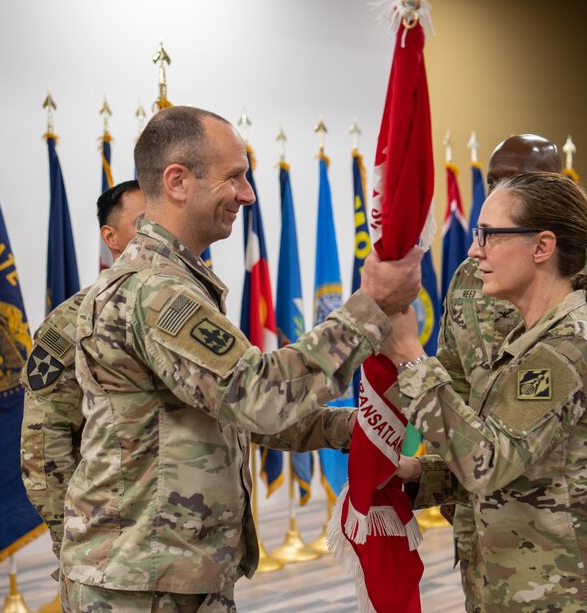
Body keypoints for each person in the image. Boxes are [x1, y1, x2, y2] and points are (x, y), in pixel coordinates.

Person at [56, 105, 422, 612]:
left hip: (165, 570)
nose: (247, 194)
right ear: (178, 181)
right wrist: (371, 308)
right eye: (236, 177)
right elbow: (257, 395)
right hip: (143, 581)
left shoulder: (175, 282)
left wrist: (350, 429)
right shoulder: (157, 292)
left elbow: (226, 410)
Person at [384, 171, 587, 611]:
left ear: (542, 246)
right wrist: (421, 475)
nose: (473, 249)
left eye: (490, 235)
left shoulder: (576, 345)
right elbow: (532, 473)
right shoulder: (531, 340)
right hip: (528, 590)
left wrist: (409, 353)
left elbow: (487, 463)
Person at [22, 179, 146, 562]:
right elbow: (41, 446)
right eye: (143, 224)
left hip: (187, 547)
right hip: (110, 548)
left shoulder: (190, 309)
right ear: (111, 237)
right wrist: (74, 542)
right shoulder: (74, 321)